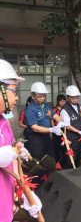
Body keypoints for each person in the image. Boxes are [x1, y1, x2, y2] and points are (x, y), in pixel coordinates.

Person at [0, 59, 42, 221]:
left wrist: (25, 192)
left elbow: (14, 161)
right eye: (14, 91)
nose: (17, 98)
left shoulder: (4, 122)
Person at [24, 82, 64, 161]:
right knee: (38, 159)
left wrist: (61, 122)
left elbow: (55, 116)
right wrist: (52, 130)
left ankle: (49, 173)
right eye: (39, 96)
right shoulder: (30, 109)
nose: (42, 98)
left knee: (50, 156)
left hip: (46, 135)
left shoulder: (46, 106)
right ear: (32, 96)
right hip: (34, 138)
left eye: (44, 96)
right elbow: (34, 128)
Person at [60, 85, 81, 168]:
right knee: (71, 158)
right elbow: (67, 126)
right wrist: (79, 132)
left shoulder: (79, 106)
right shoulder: (65, 109)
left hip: (80, 136)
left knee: (79, 157)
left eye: (76, 97)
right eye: (73, 98)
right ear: (68, 97)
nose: (75, 99)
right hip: (71, 138)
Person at [51, 94, 66, 162]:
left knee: (64, 148)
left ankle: (64, 163)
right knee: (57, 147)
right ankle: (57, 163)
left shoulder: (67, 109)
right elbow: (51, 120)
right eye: (61, 101)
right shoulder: (54, 110)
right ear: (57, 101)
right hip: (56, 130)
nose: (62, 102)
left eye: (64, 101)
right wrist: (54, 129)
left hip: (65, 130)